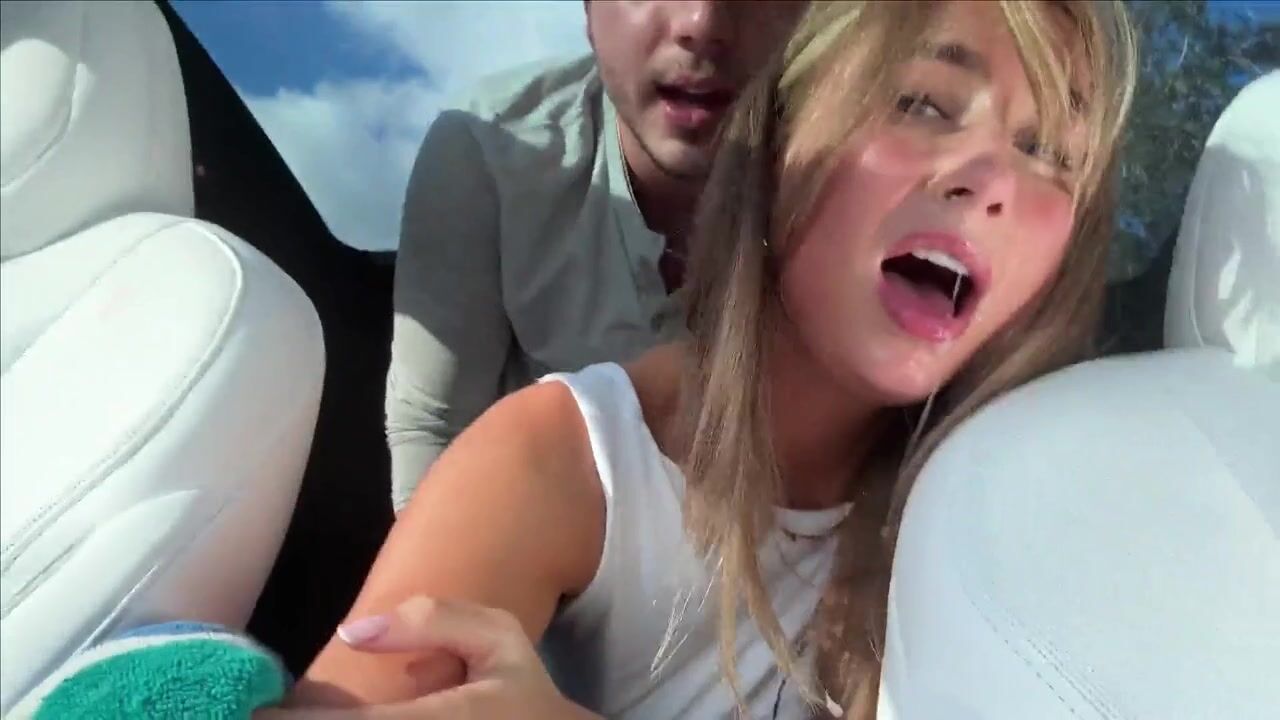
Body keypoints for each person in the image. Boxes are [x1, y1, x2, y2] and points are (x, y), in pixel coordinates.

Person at [280, 0, 1137, 718]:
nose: (994, 179)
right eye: (922, 103)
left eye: (1054, 153)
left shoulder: (1030, 527)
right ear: (779, 134)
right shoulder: (560, 456)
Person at [386, 1, 805, 510]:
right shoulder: (492, 147)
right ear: (587, 12)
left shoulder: (861, 172)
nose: (702, 23)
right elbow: (435, 427)